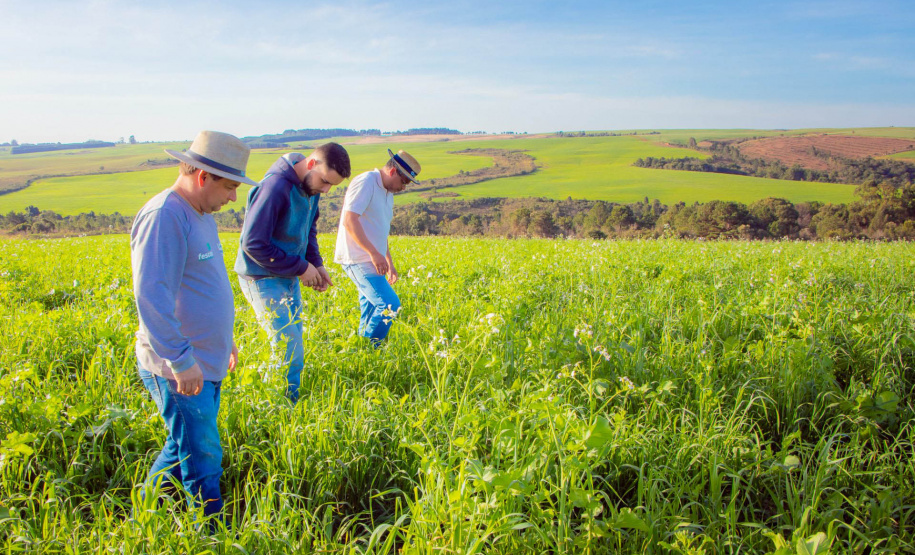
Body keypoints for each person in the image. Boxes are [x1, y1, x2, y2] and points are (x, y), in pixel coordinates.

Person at [131, 130, 257, 521]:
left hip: (204, 358)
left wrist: (224, 339)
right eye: (230, 187)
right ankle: (211, 533)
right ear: (203, 177)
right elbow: (152, 297)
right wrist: (182, 360)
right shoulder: (165, 216)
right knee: (203, 454)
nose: (233, 198)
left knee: (181, 446)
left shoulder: (200, 214)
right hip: (179, 366)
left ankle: (143, 516)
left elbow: (201, 285)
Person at [234, 143, 351, 402]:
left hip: (287, 275)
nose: (325, 190)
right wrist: (301, 267)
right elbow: (253, 244)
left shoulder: (310, 187)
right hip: (261, 277)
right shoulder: (275, 187)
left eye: (331, 186)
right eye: (325, 181)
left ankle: (280, 401)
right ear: (311, 164)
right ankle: (279, 406)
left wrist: (315, 264)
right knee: (287, 347)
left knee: (292, 343)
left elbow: (308, 229)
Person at [334, 149, 421, 344]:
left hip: (374, 259)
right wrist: (374, 253)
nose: (404, 188)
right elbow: (349, 220)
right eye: (404, 182)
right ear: (393, 171)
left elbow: (380, 230)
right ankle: (372, 347)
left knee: (371, 308)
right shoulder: (366, 181)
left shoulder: (388, 193)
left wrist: (388, 261)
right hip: (358, 258)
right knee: (389, 305)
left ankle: (363, 349)